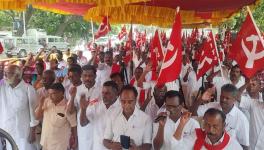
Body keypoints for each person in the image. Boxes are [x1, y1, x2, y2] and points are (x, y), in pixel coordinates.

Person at [190, 84, 249, 149]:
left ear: (234, 100)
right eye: (222, 96)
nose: (223, 100)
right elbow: (192, 113)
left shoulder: (241, 119)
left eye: (227, 98)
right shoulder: (212, 106)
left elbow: (244, 145)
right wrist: (200, 99)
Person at [0, 65, 39, 150]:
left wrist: (32, 132)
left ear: (17, 75)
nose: (5, 76)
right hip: (8, 130)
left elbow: (34, 113)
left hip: (24, 131)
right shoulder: (3, 88)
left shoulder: (28, 89)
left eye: (8, 73)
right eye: (4, 73)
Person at [103, 85, 152, 150]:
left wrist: (137, 149)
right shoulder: (112, 116)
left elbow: (148, 145)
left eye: (130, 101)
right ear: (120, 100)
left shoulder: (146, 119)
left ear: (135, 100)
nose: (126, 105)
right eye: (123, 101)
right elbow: (105, 140)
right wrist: (111, 146)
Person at [67, 65, 102, 150]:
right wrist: (72, 97)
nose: (87, 78)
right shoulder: (76, 90)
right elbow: (70, 112)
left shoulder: (101, 90)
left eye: (90, 76)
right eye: (85, 76)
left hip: (98, 126)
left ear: (95, 76)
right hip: (83, 128)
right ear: (81, 76)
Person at [172, 108, 242, 150]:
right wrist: (181, 124)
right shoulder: (197, 136)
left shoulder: (233, 146)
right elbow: (176, 147)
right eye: (207, 125)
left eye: (215, 126)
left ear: (223, 126)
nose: (210, 130)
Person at [79, 81, 121, 150]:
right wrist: (83, 110)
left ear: (116, 93)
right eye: (103, 93)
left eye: (107, 93)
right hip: (98, 147)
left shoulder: (122, 108)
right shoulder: (95, 106)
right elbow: (83, 123)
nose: (104, 96)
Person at [35, 83, 77, 150]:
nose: (50, 96)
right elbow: (37, 117)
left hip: (60, 145)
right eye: (49, 94)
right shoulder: (46, 101)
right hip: (46, 142)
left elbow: (73, 125)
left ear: (61, 93)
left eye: (53, 94)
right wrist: (40, 104)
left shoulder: (68, 106)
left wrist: (75, 141)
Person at [238, 75, 264, 150]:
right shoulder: (254, 104)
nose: (251, 86)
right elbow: (235, 94)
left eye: (254, 84)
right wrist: (247, 83)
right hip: (249, 145)